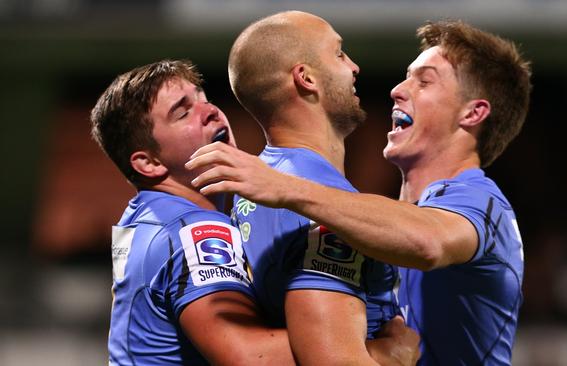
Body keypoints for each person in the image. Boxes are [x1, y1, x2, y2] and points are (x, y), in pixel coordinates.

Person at [188, 19, 532, 365]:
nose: (397, 89)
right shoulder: (362, 211)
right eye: (406, 76)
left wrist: (284, 187)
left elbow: (428, 242)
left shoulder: (480, 202)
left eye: (424, 82)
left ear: (473, 113)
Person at [91, 59, 418, 365]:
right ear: (148, 163)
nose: (210, 112)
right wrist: (379, 352)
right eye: (182, 112)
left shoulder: (146, 216)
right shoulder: (194, 229)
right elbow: (250, 357)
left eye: (202, 98)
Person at [188, 11, 417, 366]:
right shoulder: (314, 199)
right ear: (306, 78)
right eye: (340, 53)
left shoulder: (260, 186)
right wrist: (398, 357)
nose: (354, 67)